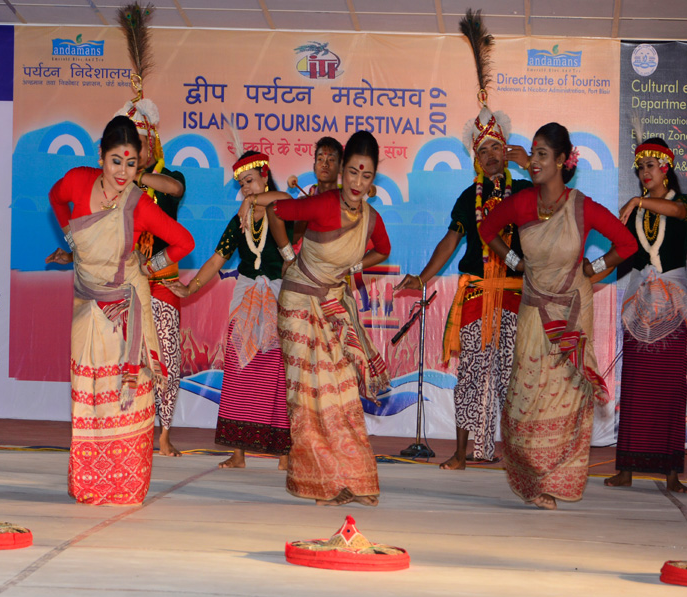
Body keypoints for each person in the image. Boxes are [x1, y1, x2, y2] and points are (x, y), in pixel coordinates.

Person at [480, 122, 637, 510]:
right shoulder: (520, 203)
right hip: (535, 312)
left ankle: (552, 482)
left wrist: (592, 267)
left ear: (563, 161)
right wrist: (514, 260)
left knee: (565, 401)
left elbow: (627, 243)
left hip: (571, 314)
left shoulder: (582, 206)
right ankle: (533, 475)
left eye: (542, 156)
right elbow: (487, 229)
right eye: (532, 155)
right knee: (525, 399)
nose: (533, 162)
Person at [46, 115, 194, 505]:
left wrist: (152, 263)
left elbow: (183, 241)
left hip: (126, 310)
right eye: (116, 161)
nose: (123, 172)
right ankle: (90, 483)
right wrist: (69, 235)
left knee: (123, 397)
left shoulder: (138, 204)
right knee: (89, 395)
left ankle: (125, 485)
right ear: (101, 156)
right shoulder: (78, 180)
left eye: (131, 164)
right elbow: (55, 198)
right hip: (86, 304)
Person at [396, 105, 530, 469]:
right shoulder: (467, 197)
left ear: (507, 151)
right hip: (476, 293)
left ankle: (518, 456)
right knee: (469, 375)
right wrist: (423, 277)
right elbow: (449, 241)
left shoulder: (524, 191)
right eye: (482, 150)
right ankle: (459, 454)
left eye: (495, 148)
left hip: (516, 296)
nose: (489, 156)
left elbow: (555, 206)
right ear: (475, 156)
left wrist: (532, 165)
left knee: (514, 377)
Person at [267, 131, 392, 506]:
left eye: (366, 175)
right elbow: (278, 211)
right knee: (310, 396)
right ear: (342, 172)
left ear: (374, 178)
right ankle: (323, 482)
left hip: (333, 307)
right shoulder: (322, 204)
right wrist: (288, 254)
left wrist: (355, 264)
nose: (357, 183)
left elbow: (383, 250)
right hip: (300, 305)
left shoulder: (370, 219)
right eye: (352, 172)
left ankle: (352, 477)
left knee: (341, 393)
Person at [167, 151, 291, 470]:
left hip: (277, 298)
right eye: (242, 185)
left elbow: (285, 196)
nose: (246, 189)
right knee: (238, 374)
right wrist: (190, 287)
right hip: (245, 299)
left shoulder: (283, 211)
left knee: (277, 375)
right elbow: (217, 260)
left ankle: (286, 453)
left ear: (265, 175)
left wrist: (254, 201)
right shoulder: (239, 221)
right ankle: (238, 453)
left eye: (250, 181)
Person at [605, 138, 687, 493]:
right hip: (642, 308)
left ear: (666, 169)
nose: (643, 173)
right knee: (636, 386)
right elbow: (626, 256)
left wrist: (638, 199)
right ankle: (627, 468)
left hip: (674, 308)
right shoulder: (636, 214)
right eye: (640, 168)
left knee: (669, 389)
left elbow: (680, 214)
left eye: (650, 166)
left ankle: (672, 473)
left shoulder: (680, 205)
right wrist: (586, 274)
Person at [116, 96, 187, 457]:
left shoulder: (169, 177)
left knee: (166, 358)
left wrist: (137, 175)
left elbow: (174, 192)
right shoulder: (118, 184)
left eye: (139, 146)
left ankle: (164, 433)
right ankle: (128, 427)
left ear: (153, 144)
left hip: (161, 280)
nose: (134, 153)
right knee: (126, 357)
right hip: (125, 282)